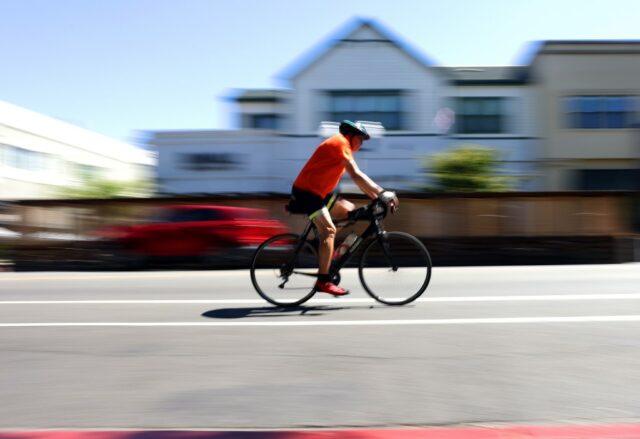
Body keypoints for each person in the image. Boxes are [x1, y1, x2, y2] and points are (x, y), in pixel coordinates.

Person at [288, 120, 398, 296]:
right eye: (360, 140)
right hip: (307, 193)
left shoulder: (342, 147)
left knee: (348, 209)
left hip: (320, 193)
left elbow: (360, 182)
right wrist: (382, 192)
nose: (361, 144)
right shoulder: (340, 142)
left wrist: (377, 198)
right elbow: (356, 175)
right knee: (330, 231)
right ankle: (323, 280)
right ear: (351, 136)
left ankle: (328, 253)